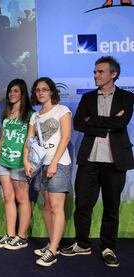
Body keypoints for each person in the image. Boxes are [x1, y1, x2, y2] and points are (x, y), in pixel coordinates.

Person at [60, 56, 134, 268]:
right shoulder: (88, 98)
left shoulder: (127, 98)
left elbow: (121, 122)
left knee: (111, 206)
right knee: (83, 204)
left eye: (100, 72)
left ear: (114, 74)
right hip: (89, 161)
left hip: (115, 162)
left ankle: (108, 247)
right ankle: (82, 243)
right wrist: (106, 124)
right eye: (95, 72)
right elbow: (79, 123)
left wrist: (93, 121)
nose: (96, 75)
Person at [24, 77, 72, 267]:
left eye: (44, 89)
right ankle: (53, 243)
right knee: (45, 206)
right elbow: (29, 141)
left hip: (58, 163)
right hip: (41, 166)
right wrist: (26, 161)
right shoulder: (35, 116)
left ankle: (52, 249)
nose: (41, 93)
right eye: (37, 90)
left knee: (55, 206)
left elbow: (66, 137)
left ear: (51, 91)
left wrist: (53, 163)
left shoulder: (62, 110)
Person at [0, 79, 33, 250]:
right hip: (3, 161)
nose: (12, 94)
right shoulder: (6, 114)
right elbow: (2, 139)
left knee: (22, 199)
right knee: (8, 197)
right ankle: (10, 235)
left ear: (22, 93)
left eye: (16, 91)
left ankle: (21, 237)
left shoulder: (31, 114)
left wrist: (27, 161)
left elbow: (31, 141)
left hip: (19, 163)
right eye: (10, 91)